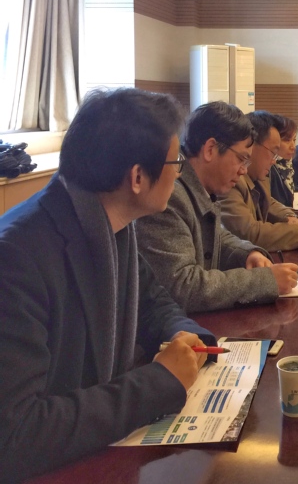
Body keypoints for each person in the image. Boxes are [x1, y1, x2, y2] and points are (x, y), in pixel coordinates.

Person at [0, 88, 216, 481]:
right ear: (138, 177)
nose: (180, 172)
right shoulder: (17, 257)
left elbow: (153, 301)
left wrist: (187, 335)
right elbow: (16, 435)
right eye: (176, 162)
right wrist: (159, 383)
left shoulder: (111, 224)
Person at [137, 101, 298, 313]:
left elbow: (216, 236)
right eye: (241, 159)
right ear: (210, 149)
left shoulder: (201, 188)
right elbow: (182, 287)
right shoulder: (169, 196)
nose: (243, 171)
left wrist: (247, 254)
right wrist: (264, 281)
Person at [221, 110, 298, 250]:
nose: (273, 161)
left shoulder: (258, 174)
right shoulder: (231, 179)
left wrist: (289, 217)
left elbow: (268, 201)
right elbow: (249, 234)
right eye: (273, 152)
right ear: (251, 145)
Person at [270, 115, 298, 207]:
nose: (293, 146)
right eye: (287, 140)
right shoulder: (269, 168)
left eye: (294, 140)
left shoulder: (287, 164)